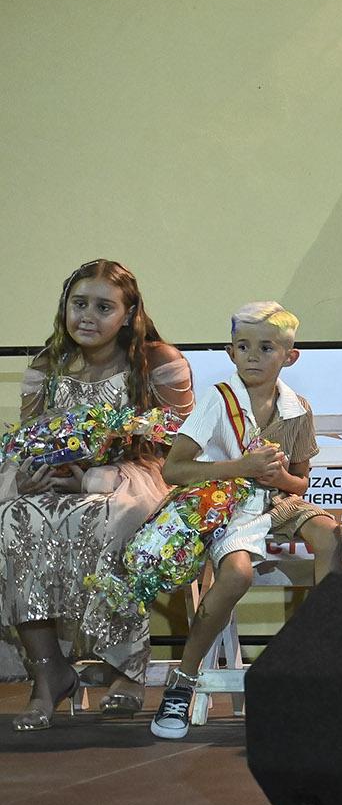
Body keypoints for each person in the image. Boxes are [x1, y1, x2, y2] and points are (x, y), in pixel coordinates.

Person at [0, 260, 194, 731]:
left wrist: (95, 472)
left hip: (136, 476)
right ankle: (49, 673)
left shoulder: (160, 362)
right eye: (78, 304)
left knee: (112, 517)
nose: (87, 316)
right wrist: (29, 475)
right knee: (13, 518)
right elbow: (30, 439)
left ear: (128, 315)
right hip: (57, 478)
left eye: (103, 307)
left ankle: (124, 669)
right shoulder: (48, 366)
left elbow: (181, 447)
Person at [150, 302, 338, 740]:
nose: (253, 356)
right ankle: (184, 679)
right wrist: (243, 468)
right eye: (243, 346)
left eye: (266, 347)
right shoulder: (219, 399)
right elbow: (173, 470)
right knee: (235, 574)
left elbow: (300, 484)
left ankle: (326, 656)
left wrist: (279, 476)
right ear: (230, 352)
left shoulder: (297, 408)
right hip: (229, 505)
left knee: (330, 533)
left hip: (277, 505)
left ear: (289, 356)